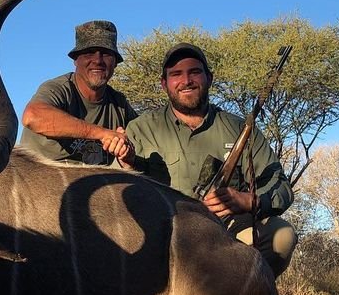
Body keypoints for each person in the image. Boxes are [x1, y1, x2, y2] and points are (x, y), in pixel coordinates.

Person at [118, 42, 297, 277]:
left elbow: (281, 187)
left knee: (282, 236)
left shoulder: (239, 127)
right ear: (164, 84)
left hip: (225, 236)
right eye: (176, 74)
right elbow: (118, 193)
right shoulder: (141, 129)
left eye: (194, 72)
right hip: (163, 238)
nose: (187, 80)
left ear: (209, 78)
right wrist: (128, 164)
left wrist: (248, 201)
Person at [20, 20, 137, 165]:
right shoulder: (59, 88)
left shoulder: (119, 104)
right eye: (89, 53)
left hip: (97, 182)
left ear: (115, 62)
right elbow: (32, 116)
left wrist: (127, 151)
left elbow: (142, 137)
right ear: (76, 60)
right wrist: (102, 133)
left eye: (106, 54)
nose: (97, 60)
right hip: (41, 181)